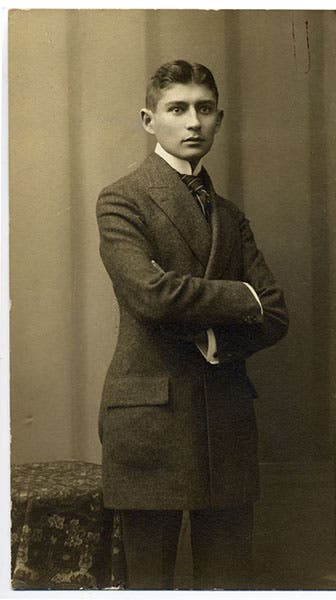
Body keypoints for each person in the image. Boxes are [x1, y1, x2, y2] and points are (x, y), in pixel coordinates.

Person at [96, 60, 288, 590]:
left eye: (204, 109)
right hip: (151, 423)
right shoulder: (122, 199)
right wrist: (241, 296)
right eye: (177, 109)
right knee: (150, 584)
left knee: (227, 583)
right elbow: (151, 296)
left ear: (219, 120)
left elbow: (275, 314)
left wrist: (211, 336)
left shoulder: (229, 215)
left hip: (225, 419)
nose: (193, 123)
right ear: (148, 119)